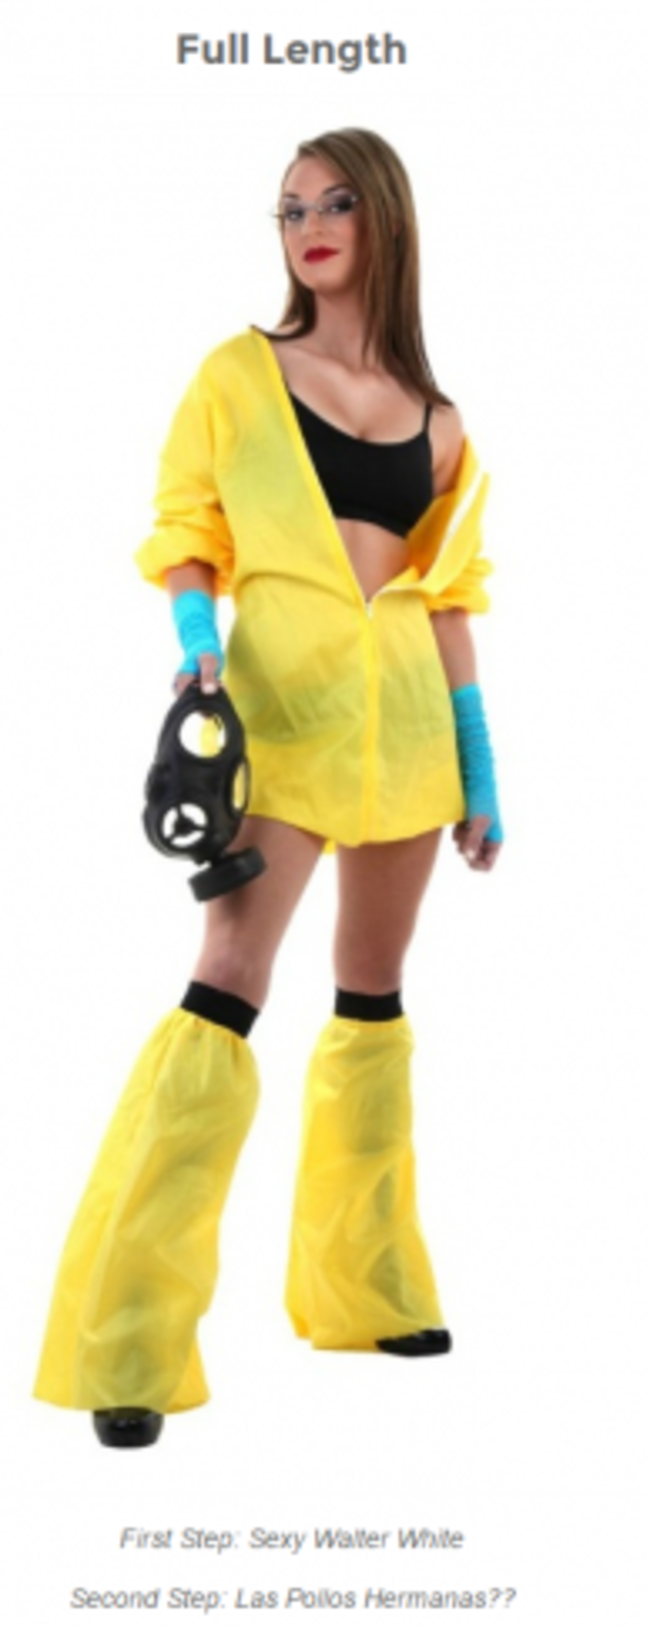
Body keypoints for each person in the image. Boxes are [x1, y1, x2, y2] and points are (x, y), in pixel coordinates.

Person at [34, 128, 502, 1449]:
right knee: (225, 984)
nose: (309, 224)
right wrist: (197, 648)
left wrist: (478, 765)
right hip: (279, 720)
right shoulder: (238, 374)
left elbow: (450, 601)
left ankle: (369, 1290)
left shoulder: (441, 418)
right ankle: (126, 1343)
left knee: (371, 998)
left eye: (335, 200)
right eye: (290, 206)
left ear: (384, 216)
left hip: (405, 733)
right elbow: (187, 531)